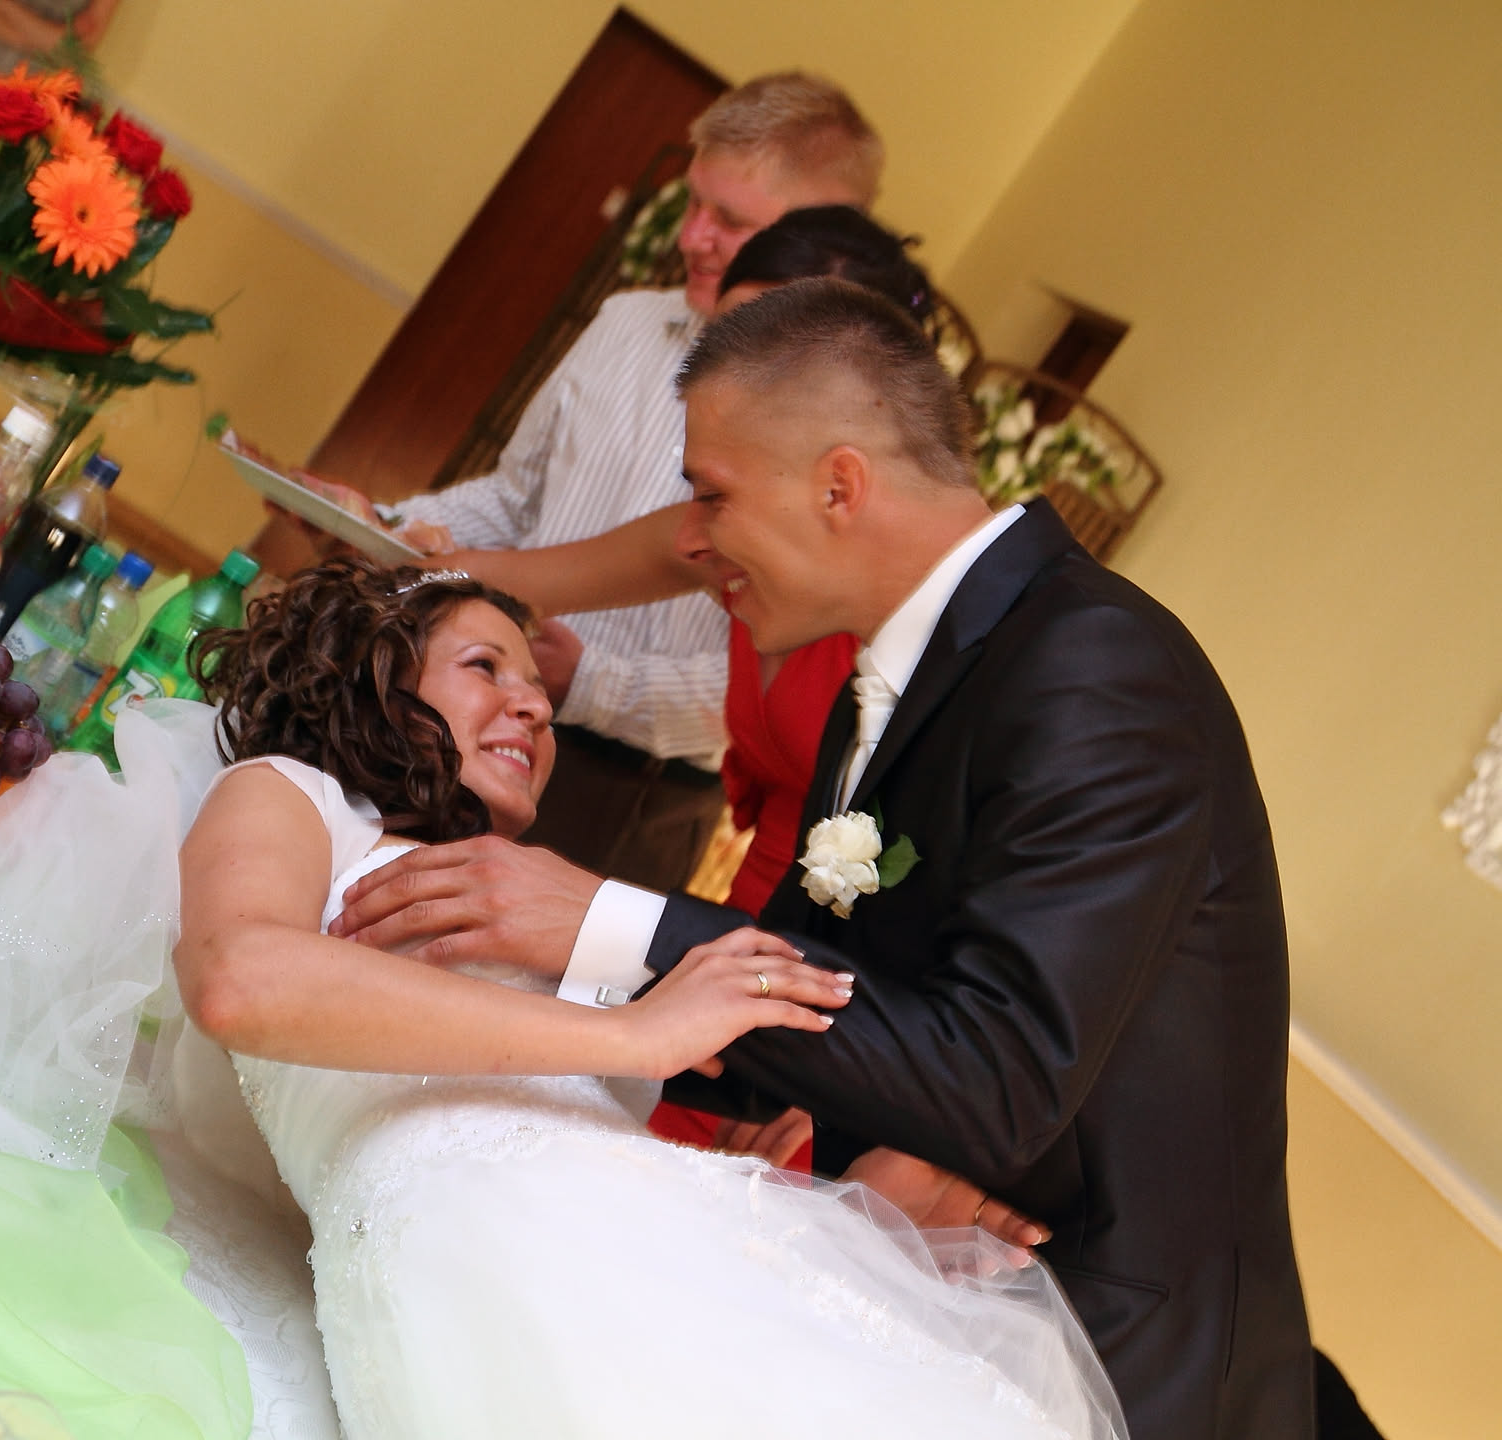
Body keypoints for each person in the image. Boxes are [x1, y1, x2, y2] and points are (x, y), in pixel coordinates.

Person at [331, 280, 1313, 1439]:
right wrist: (499, 981)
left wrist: (602, 919)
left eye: (712, 492)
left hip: (1113, 1367)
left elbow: (996, 1081)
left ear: (838, 485)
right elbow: (788, 1019)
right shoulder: (894, 683)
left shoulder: (1095, 668)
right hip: (940, 1312)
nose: (693, 537)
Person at [167, 558, 1124, 1440]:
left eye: (539, 692)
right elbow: (242, 979)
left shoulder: (531, 915)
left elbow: (556, 1139)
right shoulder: (291, 795)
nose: (534, 707)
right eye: (485, 667)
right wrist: (638, 1034)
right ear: (371, 679)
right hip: (482, 1266)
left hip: (615, 1260)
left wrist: (829, 1229)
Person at [381, 72, 886, 893]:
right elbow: (518, 507)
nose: (692, 237)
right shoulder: (625, 322)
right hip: (460, 716)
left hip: (625, 797)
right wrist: (385, 531)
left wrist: (590, 682)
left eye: (731, 220)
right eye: (693, 203)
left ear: (820, 238)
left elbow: (772, 682)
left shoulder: (844, 429)